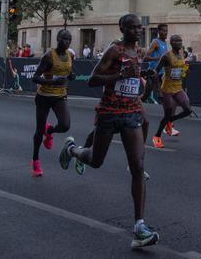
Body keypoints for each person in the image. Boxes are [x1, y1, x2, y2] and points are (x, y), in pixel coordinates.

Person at [58, 14, 159, 249]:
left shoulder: (139, 53)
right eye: (132, 28)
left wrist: (148, 78)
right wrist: (117, 76)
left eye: (139, 28)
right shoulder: (115, 51)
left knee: (137, 167)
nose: (137, 31)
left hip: (131, 112)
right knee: (95, 160)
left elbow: (137, 87)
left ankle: (139, 227)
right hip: (109, 112)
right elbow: (93, 80)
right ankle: (72, 149)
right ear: (122, 28)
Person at [30, 29, 75, 177]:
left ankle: (49, 132)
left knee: (65, 125)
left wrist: (71, 76)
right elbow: (35, 78)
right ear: (57, 39)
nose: (67, 42)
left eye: (69, 39)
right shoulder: (49, 57)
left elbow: (68, 71)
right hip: (44, 96)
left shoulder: (70, 55)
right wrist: (52, 81)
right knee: (38, 131)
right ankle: (35, 160)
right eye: (64, 39)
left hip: (59, 96)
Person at [152, 35, 192, 149]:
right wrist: (158, 89)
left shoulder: (182, 55)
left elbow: (183, 73)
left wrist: (186, 71)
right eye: (176, 41)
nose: (179, 43)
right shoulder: (166, 56)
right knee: (167, 113)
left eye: (180, 41)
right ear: (171, 43)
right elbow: (155, 72)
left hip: (178, 87)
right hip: (167, 89)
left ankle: (169, 122)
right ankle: (157, 137)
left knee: (188, 110)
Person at [143, 24, 169, 106]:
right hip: (153, 72)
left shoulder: (165, 43)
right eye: (164, 31)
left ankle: (167, 115)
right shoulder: (155, 42)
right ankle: (136, 104)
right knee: (145, 95)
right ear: (159, 31)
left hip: (162, 73)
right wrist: (157, 58)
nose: (166, 33)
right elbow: (145, 58)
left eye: (166, 31)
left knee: (163, 95)